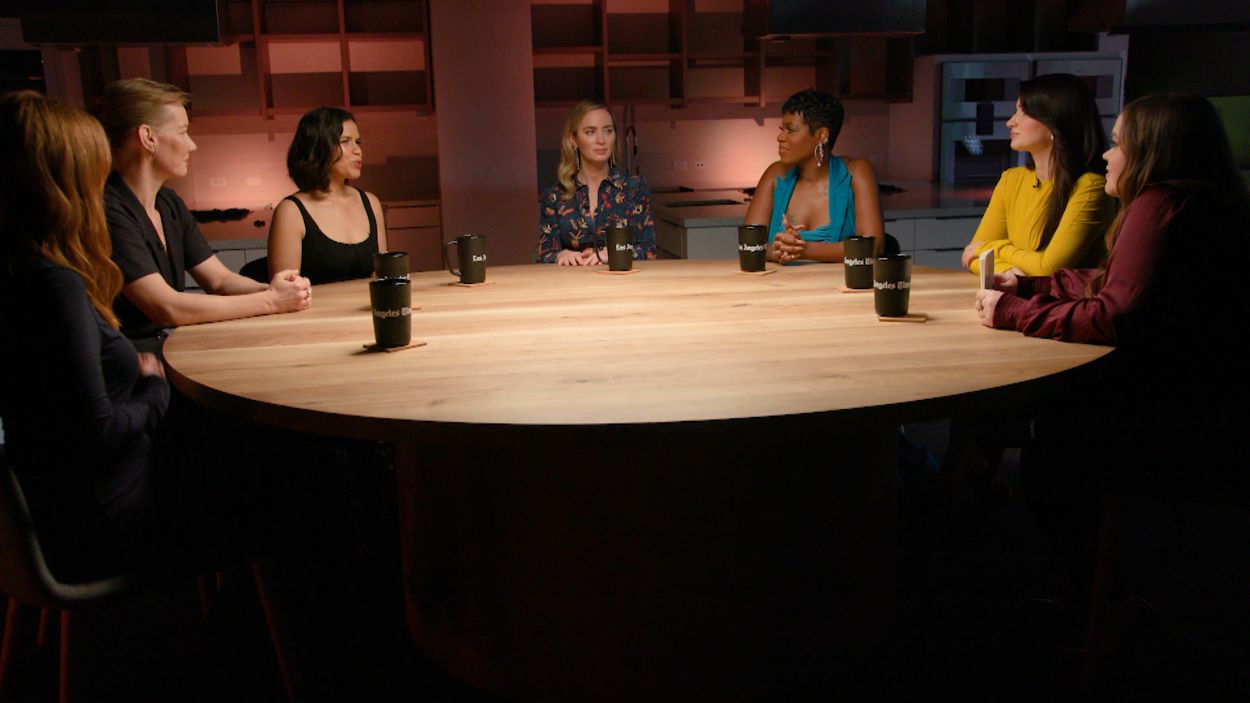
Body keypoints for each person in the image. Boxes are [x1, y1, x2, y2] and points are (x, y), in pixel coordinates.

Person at [975, 93, 1250, 622]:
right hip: (1219, 409)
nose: (1107, 154)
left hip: (1174, 424)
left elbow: (1112, 315)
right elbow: (1111, 280)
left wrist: (1013, 312)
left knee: (1051, 453)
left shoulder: (1158, 205)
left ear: (1152, 152)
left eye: (1119, 143)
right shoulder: (1209, 202)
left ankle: (1101, 601)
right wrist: (1032, 285)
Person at [0, 91, 170, 581]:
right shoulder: (55, 285)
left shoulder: (19, 271)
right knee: (275, 477)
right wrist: (154, 386)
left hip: (55, 511)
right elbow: (98, 435)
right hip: (107, 525)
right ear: (65, 183)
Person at [92, 78, 310, 351]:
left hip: (167, 348)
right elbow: (166, 307)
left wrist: (277, 291)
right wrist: (271, 301)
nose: (192, 144)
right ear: (148, 137)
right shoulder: (108, 209)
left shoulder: (168, 203)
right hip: (132, 361)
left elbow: (220, 280)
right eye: (182, 132)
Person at [962, 73, 1115, 277]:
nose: (1010, 122)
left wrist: (994, 249)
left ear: (1055, 121)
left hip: (1062, 299)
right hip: (1020, 296)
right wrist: (1008, 271)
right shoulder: (1011, 180)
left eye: (1023, 111)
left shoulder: (1090, 188)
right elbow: (972, 257)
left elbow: (1048, 269)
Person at [743, 89, 884, 263]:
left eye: (790, 130)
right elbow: (749, 244)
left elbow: (873, 246)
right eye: (782, 129)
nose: (780, 137)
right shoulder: (774, 175)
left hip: (837, 281)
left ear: (821, 135)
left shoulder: (857, 173)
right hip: (781, 281)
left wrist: (804, 249)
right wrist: (776, 250)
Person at [268, 106, 388, 283]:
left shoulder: (371, 203)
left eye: (358, 142)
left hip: (366, 302)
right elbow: (284, 292)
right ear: (318, 147)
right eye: (345, 141)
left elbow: (383, 276)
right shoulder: (291, 212)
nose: (358, 150)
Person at [538, 99, 656, 265]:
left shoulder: (635, 188)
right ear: (573, 140)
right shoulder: (555, 196)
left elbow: (648, 251)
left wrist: (615, 253)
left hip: (621, 279)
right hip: (573, 280)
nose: (601, 140)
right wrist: (560, 255)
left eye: (608, 131)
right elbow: (545, 254)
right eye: (590, 132)